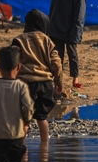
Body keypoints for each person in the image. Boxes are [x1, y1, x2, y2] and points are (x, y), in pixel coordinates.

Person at [12, 9, 62, 145]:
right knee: (42, 118)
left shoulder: (19, 40)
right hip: (45, 84)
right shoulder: (47, 41)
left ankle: (22, 149)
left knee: (25, 119)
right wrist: (58, 82)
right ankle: (44, 147)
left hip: (25, 85)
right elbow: (56, 63)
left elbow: (13, 61)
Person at [48, 0, 85, 91]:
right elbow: (52, 11)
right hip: (56, 30)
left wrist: (76, 31)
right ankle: (58, 81)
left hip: (70, 31)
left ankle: (75, 79)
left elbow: (79, 14)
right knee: (57, 57)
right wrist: (49, 27)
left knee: (72, 55)